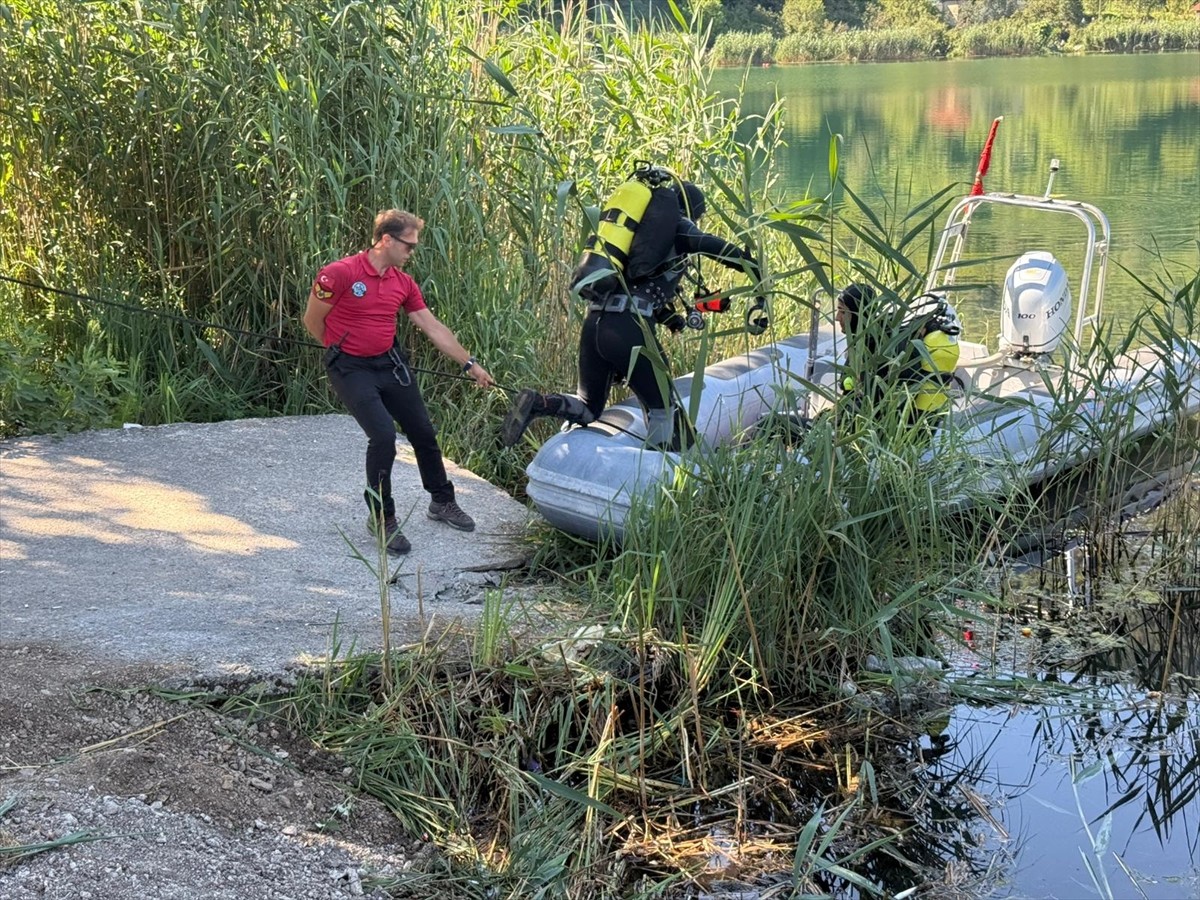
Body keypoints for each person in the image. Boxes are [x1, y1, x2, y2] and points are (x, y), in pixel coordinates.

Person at [500, 178, 760, 451]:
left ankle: (540, 403)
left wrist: (671, 319)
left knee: (589, 407)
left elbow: (638, 288)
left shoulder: (631, 239)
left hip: (594, 324)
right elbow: (710, 245)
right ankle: (662, 473)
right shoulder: (678, 228)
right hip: (629, 329)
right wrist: (750, 263)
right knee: (662, 408)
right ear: (690, 210)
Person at [303, 209, 494, 555]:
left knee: (423, 431)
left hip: (389, 364)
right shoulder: (339, 274)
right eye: (409, 246)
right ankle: (381, 516)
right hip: (350, 368)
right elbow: (313, 321)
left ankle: (441, 501)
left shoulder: (403, 283)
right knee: (383, 437)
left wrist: (469, 363)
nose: (412, 253)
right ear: (387, 240)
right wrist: (343, 352)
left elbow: (432, 326)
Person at [834, 282, 961, 430]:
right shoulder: (867, 339)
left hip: (887, 431)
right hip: (878, 424)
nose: (837, 318)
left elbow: (885, 405)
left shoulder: (885, 345)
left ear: (858, 313)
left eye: (842, 312)